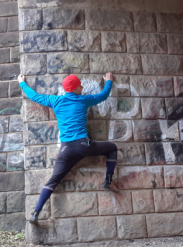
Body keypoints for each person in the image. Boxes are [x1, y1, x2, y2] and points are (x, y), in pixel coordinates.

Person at [17, 72, 118, 224]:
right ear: (75, 88)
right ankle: (108, 180)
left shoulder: (55, 100)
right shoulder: (84, 100)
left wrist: (22, 83)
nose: (82, 87)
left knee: (53, 181)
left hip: (66, 150)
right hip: (84, 145)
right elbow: (103, 96)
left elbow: (35, 96)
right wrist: (109, 81)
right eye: (80, 85)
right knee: (112, 148)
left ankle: (36, 213)